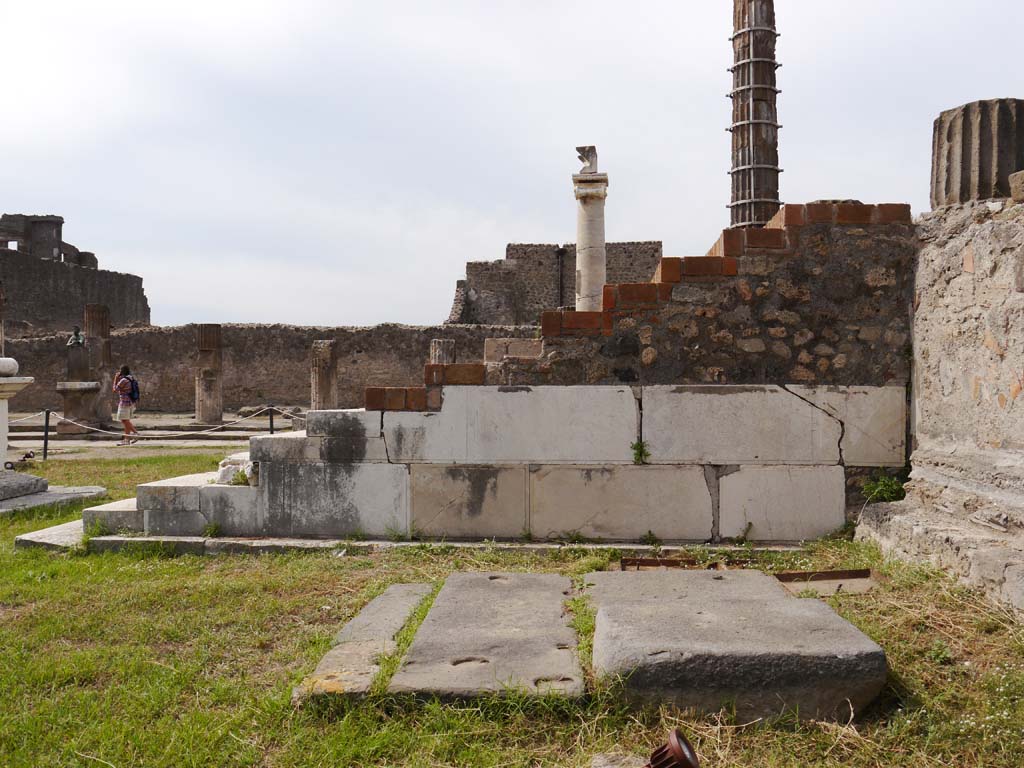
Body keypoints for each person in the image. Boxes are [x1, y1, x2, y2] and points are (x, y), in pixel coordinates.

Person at [113, 365, 140, 446]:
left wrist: (115, 378)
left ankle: (136, 433)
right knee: (126, 421)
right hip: (131, 403)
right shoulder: (131, 378)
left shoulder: (123, 380)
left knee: (124, 420)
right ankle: (126, 440)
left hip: (124, 403)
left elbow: (114, 389)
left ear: (122, 371)